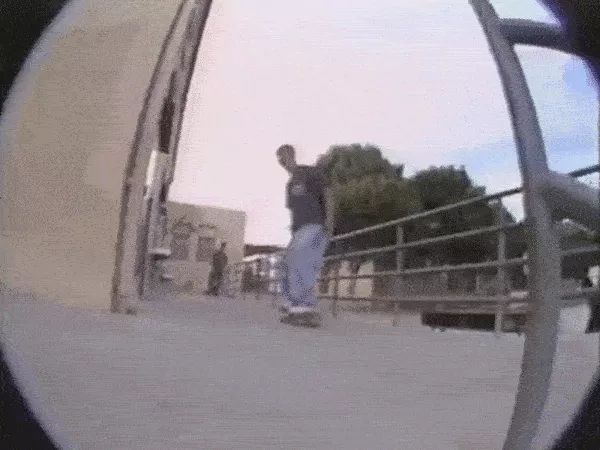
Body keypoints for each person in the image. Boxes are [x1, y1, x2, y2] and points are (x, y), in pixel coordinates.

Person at [276, 144, 334, 320]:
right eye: (279, 158)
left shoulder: (308, 172)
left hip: (315, 224)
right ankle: (291, 301)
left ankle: (304, 305)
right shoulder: (289, 185)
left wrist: (330, 221)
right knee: (285, 263)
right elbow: (294, 211)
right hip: (299, 229)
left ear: (292, 155)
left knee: (301, 260)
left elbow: (328, 193)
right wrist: (293, 234)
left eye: (284, 156)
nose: (282, 161)